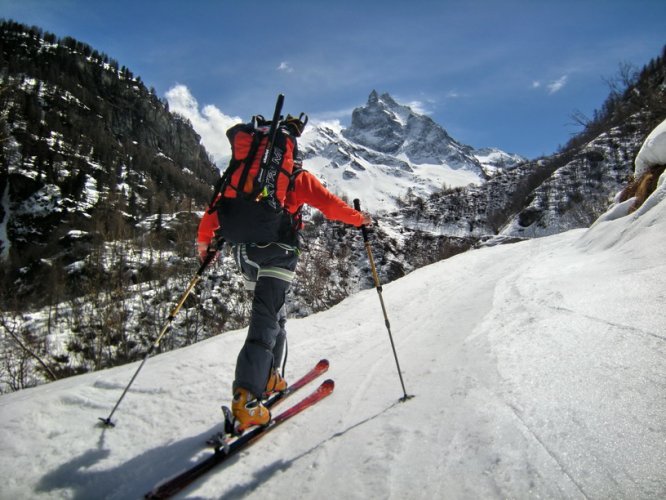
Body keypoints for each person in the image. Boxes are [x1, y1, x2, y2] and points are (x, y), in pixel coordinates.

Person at [196, 114, 371, 432]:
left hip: (244, 252)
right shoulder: (296, 177)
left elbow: (216, 209)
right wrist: (361, 220)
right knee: (266, 319)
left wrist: (204, 243)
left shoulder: (243, 176)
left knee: (273, 315)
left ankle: (271, 376)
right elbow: (331, 206)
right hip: (278, 250)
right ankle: (247, 399)